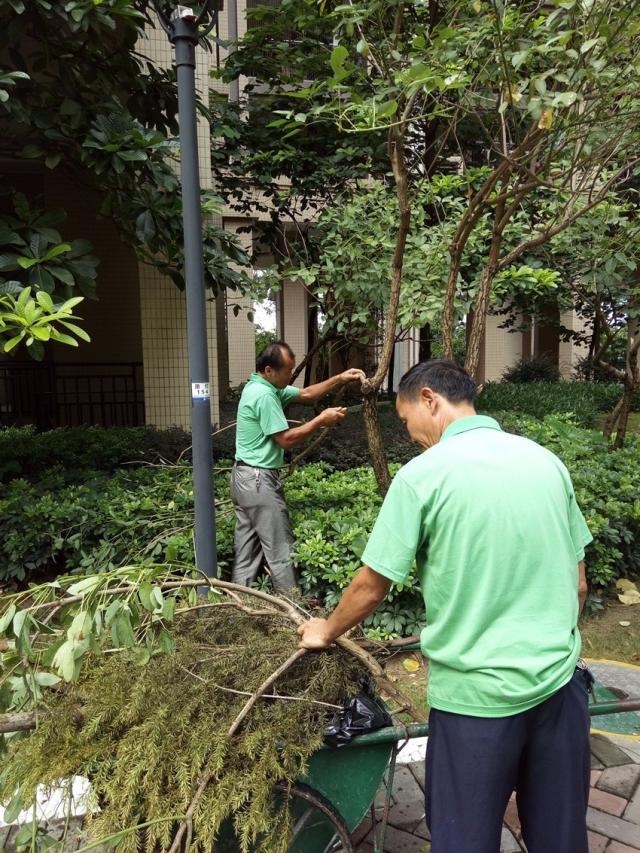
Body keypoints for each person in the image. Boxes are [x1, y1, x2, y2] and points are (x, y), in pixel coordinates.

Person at [298, 359, 593, 853]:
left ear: (430, 400)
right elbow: (578, 584)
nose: (409, 433)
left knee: (464, 840)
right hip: (559, 693)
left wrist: (326, 631)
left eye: (405, 418)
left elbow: (373, 586)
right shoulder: (546, 463)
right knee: (561, 839)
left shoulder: (422, 477)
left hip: (474, 704)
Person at [231, 340, 365, 593]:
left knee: (246, 552)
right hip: (258, 480)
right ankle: (292, 609)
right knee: (281, 548)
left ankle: (237, 606)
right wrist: (320, 421)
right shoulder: (264, 395)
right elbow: (285, 439)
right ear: (269, 370)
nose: (291, 375)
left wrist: (340, 378)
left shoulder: (262, 386)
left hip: (243, 478)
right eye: (287, 371)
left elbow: (307, 394)